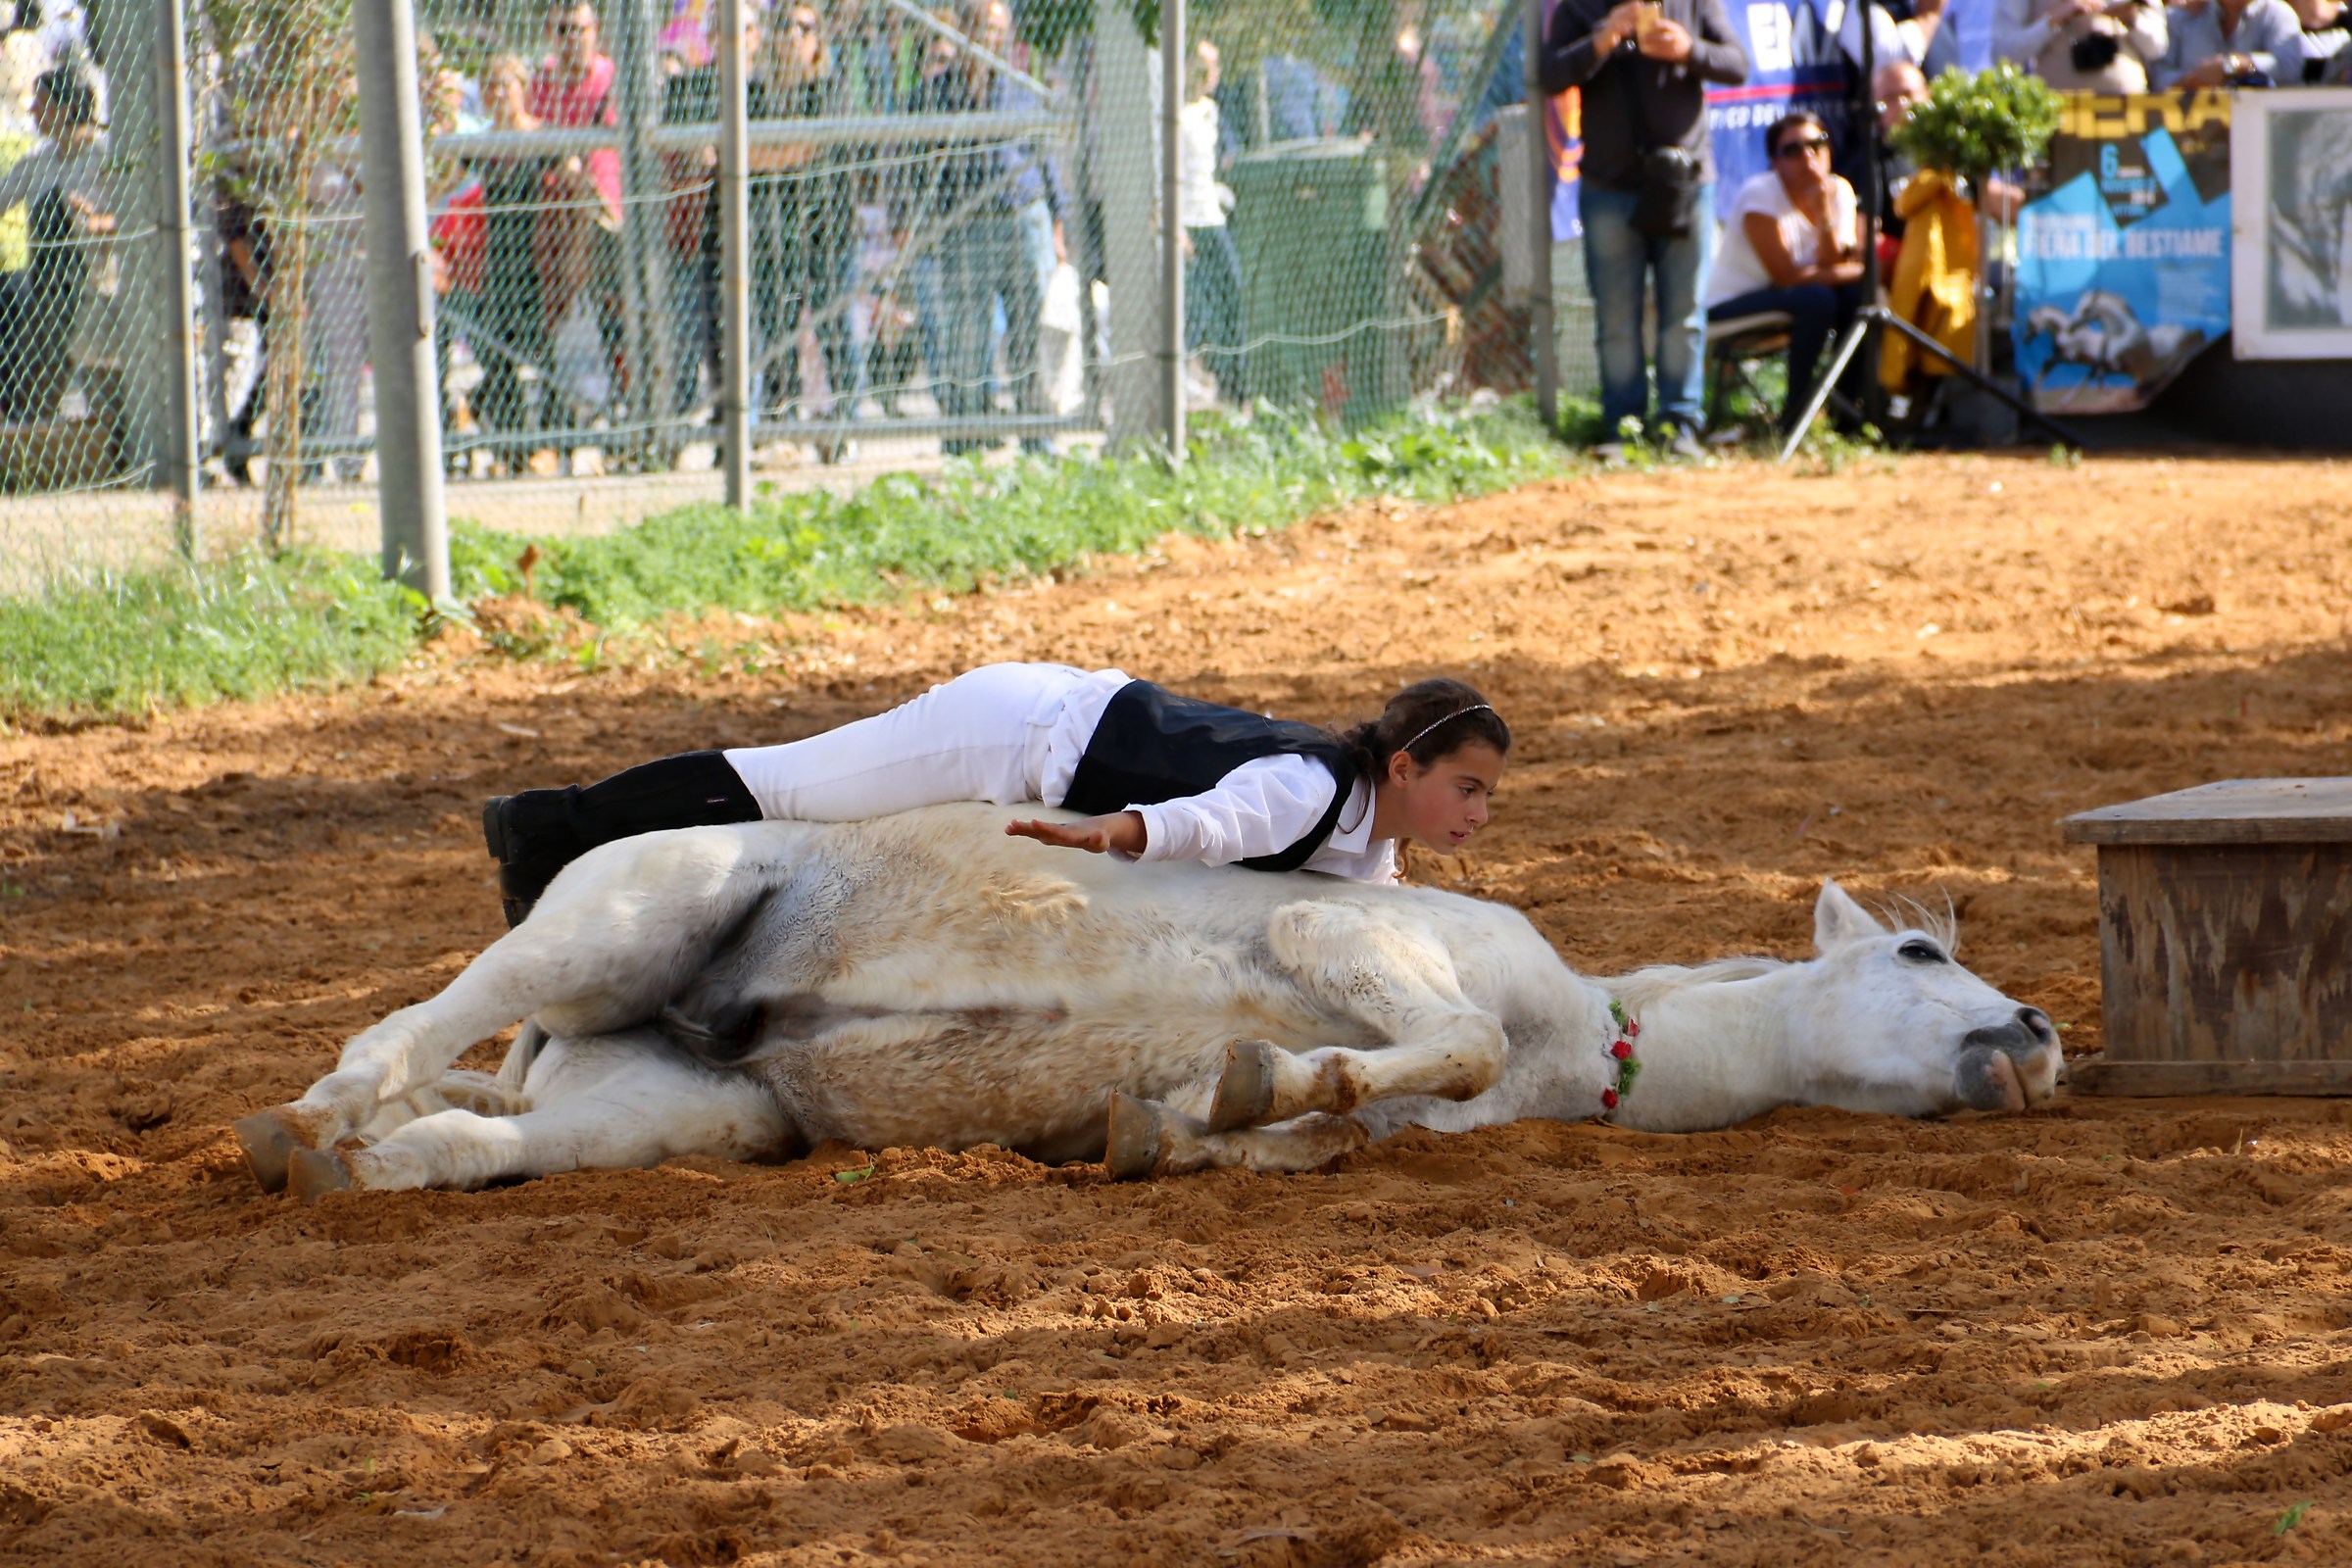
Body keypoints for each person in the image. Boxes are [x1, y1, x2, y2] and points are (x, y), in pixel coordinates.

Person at [478, 666, 1512, 924]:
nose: (1476, 812)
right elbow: (1216, 824)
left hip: (1058, 728)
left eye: (1487, 795)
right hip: (1014, 729)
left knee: (790, 791)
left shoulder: (1369, 837)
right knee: (786, 786)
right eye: (1464, 785)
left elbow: (1374, 905)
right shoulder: (1308, 785)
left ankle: (551, 843)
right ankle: (544, 825)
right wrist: (1121, 832)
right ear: (1404, 768)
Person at [1540, 0, 1750, 463]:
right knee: (1616, 317)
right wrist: (1601, 40)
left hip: (1684, 184)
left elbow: (1737, 65)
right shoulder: (1580, 6)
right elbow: (1549, 75)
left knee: (1684, 315)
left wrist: (1689, 49)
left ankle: (1680, 425)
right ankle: (1623, 428)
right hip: (1609, 187)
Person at [1705, 111, 1862, 435]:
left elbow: (1831, 262)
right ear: (1775, 161)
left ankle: (1848, 415)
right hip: (1729, 305)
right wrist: (1860, 271)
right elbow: (1786, 277)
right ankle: (1795, 416)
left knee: (1857, 297)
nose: (1808, 155)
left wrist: (1823, 213)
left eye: (1817, 143)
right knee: (1818, 299)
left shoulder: (1840, 191)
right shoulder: (1759, 193)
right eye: (1793, 150)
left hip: (1797, 299)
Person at [0, 64, 111, 422]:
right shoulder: (42, 161)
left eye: (42, 102)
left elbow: (131, 214)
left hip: (96, 285)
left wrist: (95, 221)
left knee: (105, 391)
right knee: (31, 384)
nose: (32, 109)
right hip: (51, 289)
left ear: (66, 109)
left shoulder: (102, 156)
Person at [1180, 39, 1246, 407]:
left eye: (1214, 66)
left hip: (1211, 217)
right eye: (1204, 66)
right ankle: (1189, 380)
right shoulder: (1175, 115)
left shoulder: (1211, 112)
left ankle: (1233, 386)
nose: (1211, 74)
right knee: (1193, 308)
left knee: (1231, 294)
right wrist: (1175, 228)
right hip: (1186, 221)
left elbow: (1225, 155)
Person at [1995, 0, 2169, 89]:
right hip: (2058, 118)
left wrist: (2131, 18)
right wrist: (2052, 22)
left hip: (2128, 116)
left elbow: (2157, 48)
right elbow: (2004, 55)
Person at [2151, 0, 2304, 84]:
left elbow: (2290, 67)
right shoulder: (2180, 16)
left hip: (2257, 124)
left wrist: (2238, 65)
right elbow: (2157, 76)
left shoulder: (2276, 13)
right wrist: (2192, 79)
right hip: (2191, 127)